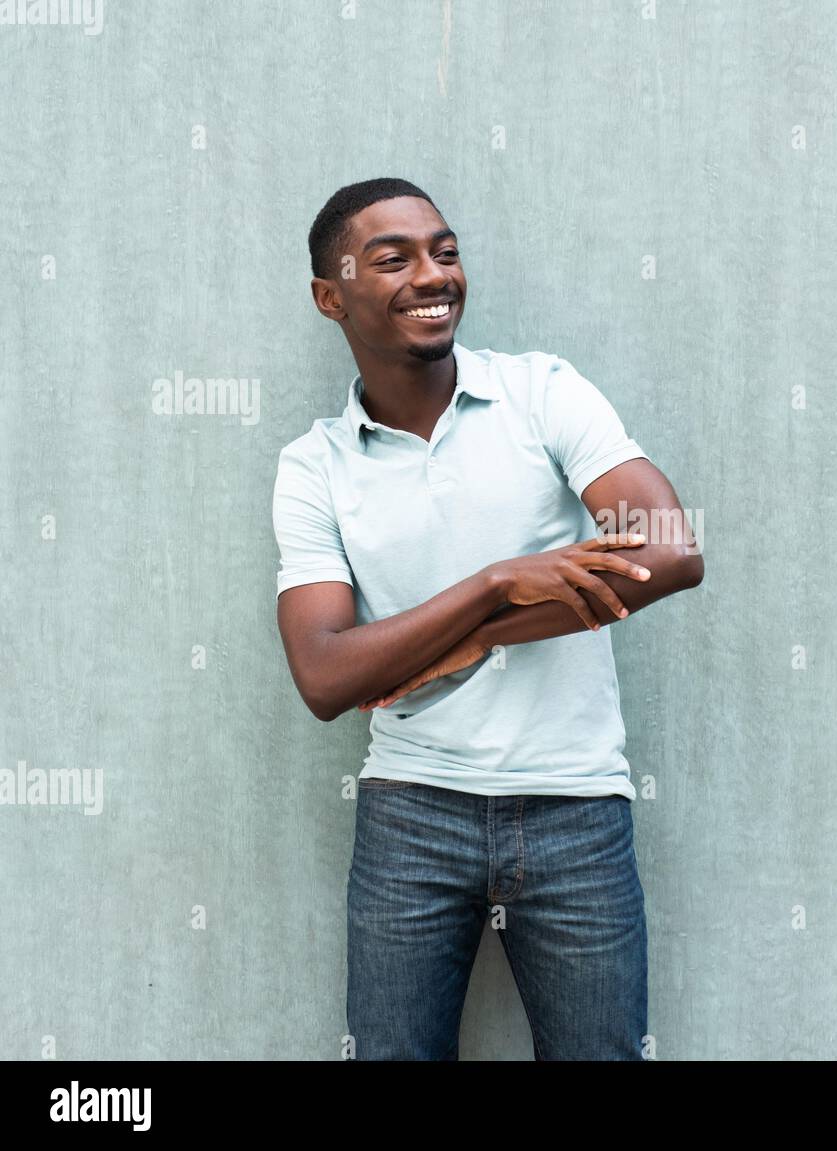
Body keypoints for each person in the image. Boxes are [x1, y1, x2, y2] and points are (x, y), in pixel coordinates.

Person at [272, 177, 704, 1060]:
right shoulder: (313, 465)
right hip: (410, 815)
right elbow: (324, 674)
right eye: (393, 259)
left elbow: (670, 549)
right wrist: (498, 582)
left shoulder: (542, 391)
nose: (434, 274)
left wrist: (474, 637)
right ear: (331, 296)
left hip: (577, 806)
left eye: (446, 251)